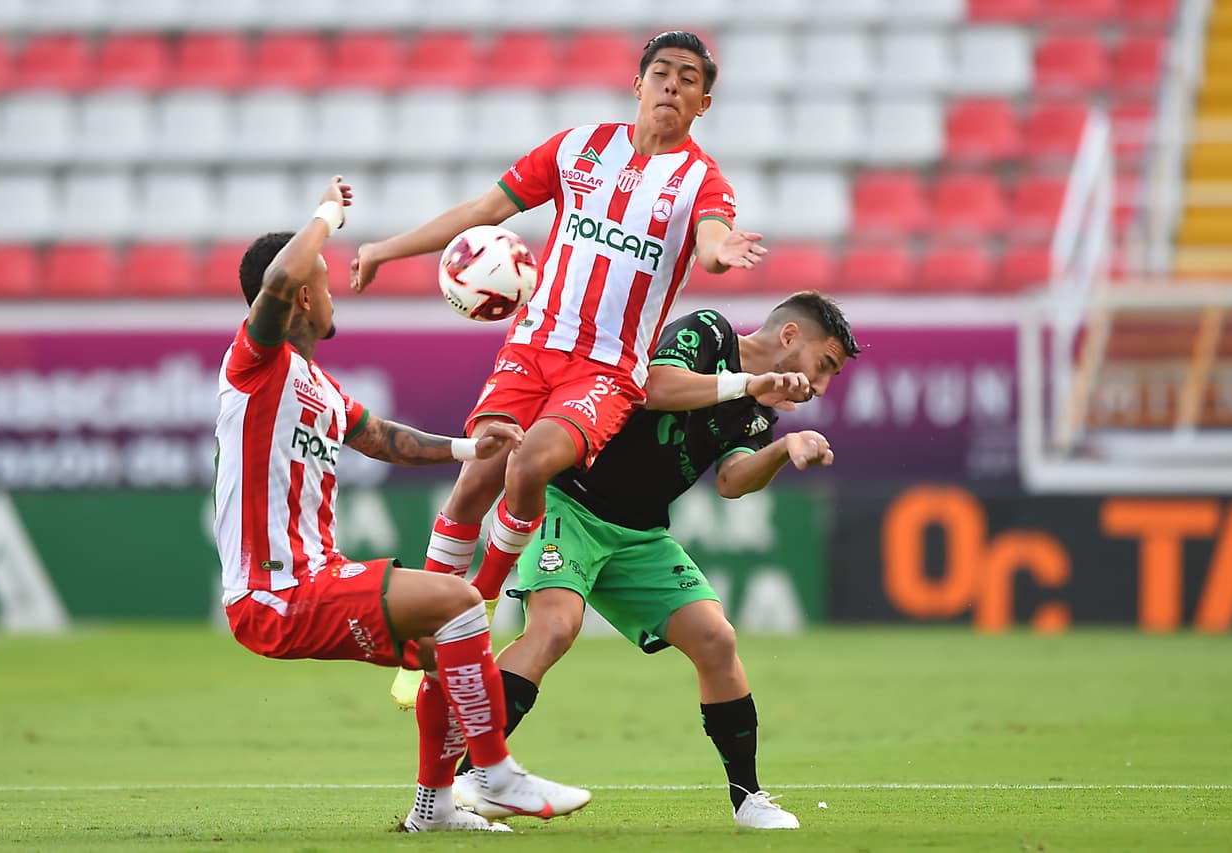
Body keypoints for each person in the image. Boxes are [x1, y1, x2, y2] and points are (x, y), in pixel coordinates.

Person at [351, 32, 790, 651]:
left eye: (689, 79)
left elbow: (714, 238)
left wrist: (721, 251)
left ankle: (478, 600)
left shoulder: (700, 182)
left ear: (703, 104)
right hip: (532, 347)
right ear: (638, 85)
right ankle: (426, 627)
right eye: (661, 73)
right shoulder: (579, 148)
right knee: (478, 474)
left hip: (607, 371)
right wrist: (383, 250)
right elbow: (483, 210)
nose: (672, 85)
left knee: (529, 462)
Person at [213, 176, 591, 833]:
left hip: (312, 578)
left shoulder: (317, 386)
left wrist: (470, 447)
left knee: (448, 644)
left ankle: (435, 808)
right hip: (277, 591)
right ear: (304, 294)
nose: (333, 292)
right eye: (325, 282)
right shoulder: (255, 362)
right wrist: (328, 213)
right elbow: (276, 279)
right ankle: (496, 774)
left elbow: (384, 439)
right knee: (462, 601)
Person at [448, 292, 861, 830]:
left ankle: (748, 799)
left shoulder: (759, 411)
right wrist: (747, 384)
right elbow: (649, 389)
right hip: (570, 502)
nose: (822, 385)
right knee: (554, 629)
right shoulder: (710, 333)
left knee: (717, 639)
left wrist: (784, 450)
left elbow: (734, 481)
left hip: (639, 533)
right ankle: (468, 777)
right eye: (824, 365)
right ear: (789, 337)